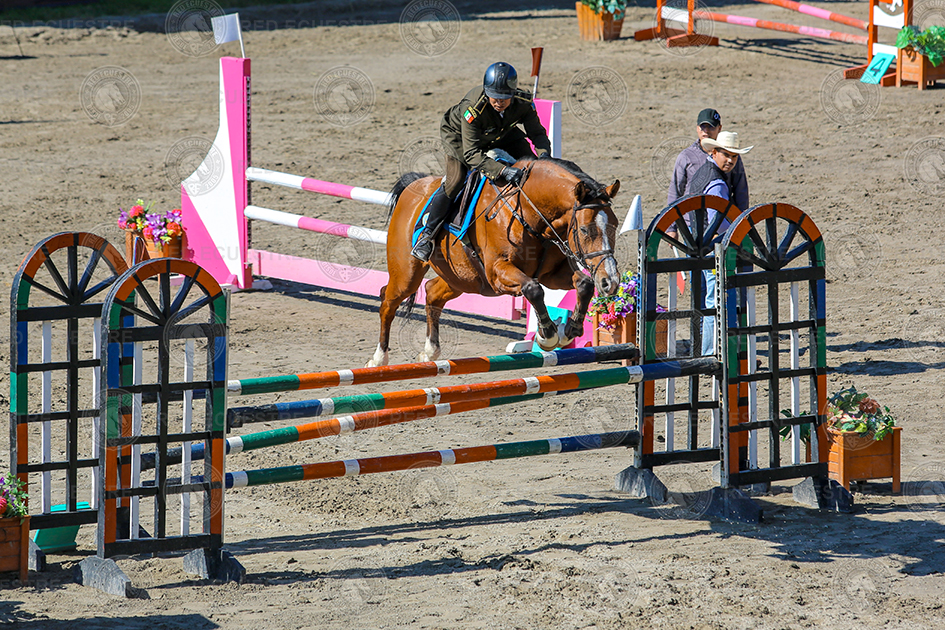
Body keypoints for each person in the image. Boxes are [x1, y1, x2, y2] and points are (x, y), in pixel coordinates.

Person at [411, 62, 552, 261]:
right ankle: (427, 235)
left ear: (513, 94)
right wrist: (502, 171)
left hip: (499, 132)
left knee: (532, 167)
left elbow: (537, 134)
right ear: (486, 92)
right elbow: (471, 153)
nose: (499, 102)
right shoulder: (473, 107)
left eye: (504, 98)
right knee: (456, 180)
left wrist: (544, 158)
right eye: (494, 97)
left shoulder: (523, 102)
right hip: (460, 137)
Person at [686, 131, 753, 356]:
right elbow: (721, 222)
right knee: (715, 301)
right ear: (714, 152)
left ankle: (709, 351)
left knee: (709, 301)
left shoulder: (701, 172)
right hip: (713, 248)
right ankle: (712, 353)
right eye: (726, 155)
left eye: (734, 156)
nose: (730, 160)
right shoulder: (717, 183)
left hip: (699, 245)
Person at [668, 108, 749, 212]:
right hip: (692, 218)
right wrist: (672, 221)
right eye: (703, 127)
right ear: (697, 128)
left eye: (711, 127)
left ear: (719, 128)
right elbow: (675, 191)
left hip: (721, 215)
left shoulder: (731, 156)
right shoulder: (686, 156)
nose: (706, 131)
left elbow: (740, 190)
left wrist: (741, 218)